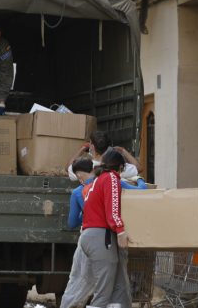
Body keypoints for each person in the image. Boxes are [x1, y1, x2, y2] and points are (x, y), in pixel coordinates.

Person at [62, 156, 145, 308]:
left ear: (79, 175)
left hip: (87, 239)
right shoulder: (110, 179)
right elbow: (141, 192)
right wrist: (139, 179)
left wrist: (88, 215)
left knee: (78, 283)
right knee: (107, 287)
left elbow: (71, 223)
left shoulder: (82, 191)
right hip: (103, 238)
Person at [79, 149, 132, 308]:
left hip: (90, 236)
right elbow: (113, 208)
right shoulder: (111, 178)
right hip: (101, 237)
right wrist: (120, 230)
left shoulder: (97, 180)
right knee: (104, 291)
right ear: (120, 166)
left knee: (116, 287)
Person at [68, 131, 142, 182]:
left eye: (90, 142)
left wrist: (82, 149)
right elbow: (139, 168)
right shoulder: (116, 165)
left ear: (92, 146)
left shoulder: (83, 165)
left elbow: (67, 168)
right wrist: (123, 150)